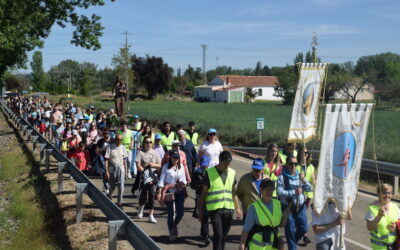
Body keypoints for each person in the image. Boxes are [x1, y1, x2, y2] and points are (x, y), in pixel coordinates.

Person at [198, 151, 242, 250]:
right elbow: (203, 193)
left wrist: (238, 208)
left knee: (224, 236)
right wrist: (201, 210)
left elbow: (233, 192)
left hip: (228, 209)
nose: (227, 165)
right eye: (225, 163)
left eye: (229, 163)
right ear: (220, 161)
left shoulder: (232, 173)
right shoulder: (209, 173)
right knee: (218, 234)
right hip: (215, 209)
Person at [239, 179, 291, 250]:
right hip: (257, 247)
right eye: (267, 190)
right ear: (261, 190)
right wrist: (242, 245)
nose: (269, 192)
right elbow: (246, 229)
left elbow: (281, 225)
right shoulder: (253, 207)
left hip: (274, 246)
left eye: (271, 189)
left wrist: (286, 214)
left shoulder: (278, 204)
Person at [276, 157, 312, 250]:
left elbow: (310, 188)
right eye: (291, 163)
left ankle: (292, 242)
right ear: (287, 164)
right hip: (288, 209)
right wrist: (293, 192)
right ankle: (292, 245)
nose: (293, 166)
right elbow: (279, 192)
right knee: (290, 232)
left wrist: (304, 180)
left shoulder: (300, 176)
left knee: (304, 228)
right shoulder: (282, 177)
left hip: (301, 208)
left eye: (295, 164)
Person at [158, 150, 188, 241]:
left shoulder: (181, 167)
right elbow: (161, 181)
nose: (176, 159)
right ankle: (171, 231)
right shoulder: (165, 167)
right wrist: (160, 193)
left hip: (179, 191)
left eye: (177, 157)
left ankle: (174, 224)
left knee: (180, 212)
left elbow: (184, 179)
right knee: (170, 213)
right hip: (169, 192)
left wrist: (183, 185)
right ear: (170, 158)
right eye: (174, 157)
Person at [365, 183, 399, 250]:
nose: (387, 195)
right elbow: (369, 227)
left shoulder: (395, 207)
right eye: (384, 193)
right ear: (378, 193)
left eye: (389, 193)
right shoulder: (372, 208)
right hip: (379, 247)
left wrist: (396, 226)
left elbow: (399, 222)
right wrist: (379, 216)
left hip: (395, 246)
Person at [136, 136, 161, 223]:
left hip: (153, 177)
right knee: (143, 194)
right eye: (147, 142)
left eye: (150, 142)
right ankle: (140, 208)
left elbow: (160, 164)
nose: (149, 144)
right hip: (143, 176)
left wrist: (153, 165)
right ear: (143, 143)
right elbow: (138, 164)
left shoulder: (155, 153)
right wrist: (144, 172)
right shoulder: (140, 152)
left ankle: (151, 215)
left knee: (151, 195)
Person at [296, 146, 316, 246]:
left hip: (308, 195)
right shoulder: (297, 166)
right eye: (303, 153)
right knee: (301, 215)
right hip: (298, 195)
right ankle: (303, 235)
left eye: (306, 153)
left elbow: (313, 181)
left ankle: (302, 234)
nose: (304, 155)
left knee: (303, 214)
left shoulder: (311, 167)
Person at [190, 155, 212, 244]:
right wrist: (199, 187)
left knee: (210, 216)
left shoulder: (212, 172)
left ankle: (204, 233)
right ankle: (205, 235)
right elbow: (192, 185)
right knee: (204, 216)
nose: (204, 167)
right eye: (203, 165)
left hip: (211, 197)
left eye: (206, 165)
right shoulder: (196, 172)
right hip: (200, 196)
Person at [105, 134, 128, 207]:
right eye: (117, 139)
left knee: (121, 185)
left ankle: (119, 201)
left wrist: (126, 171)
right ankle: (109, 195)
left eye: (120, 139)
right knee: (113, 186)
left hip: (121, 167)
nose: (119, 141)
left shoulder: (123, 148)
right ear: (115, 139)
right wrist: (106, 171)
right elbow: (106, 160)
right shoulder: (110, 147)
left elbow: (125, 160)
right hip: (112, 167)